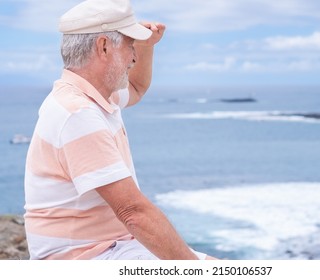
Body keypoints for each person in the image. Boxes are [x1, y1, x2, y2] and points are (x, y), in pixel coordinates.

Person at [24, 0, 216, 260]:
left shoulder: (95, 95)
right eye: (129, 46)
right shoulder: (77, 112)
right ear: (103, 47)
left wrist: (146, 46)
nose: (134, 57)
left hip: (110, 245)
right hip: (82, 257)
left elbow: (136, 88)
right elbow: (133, 213)